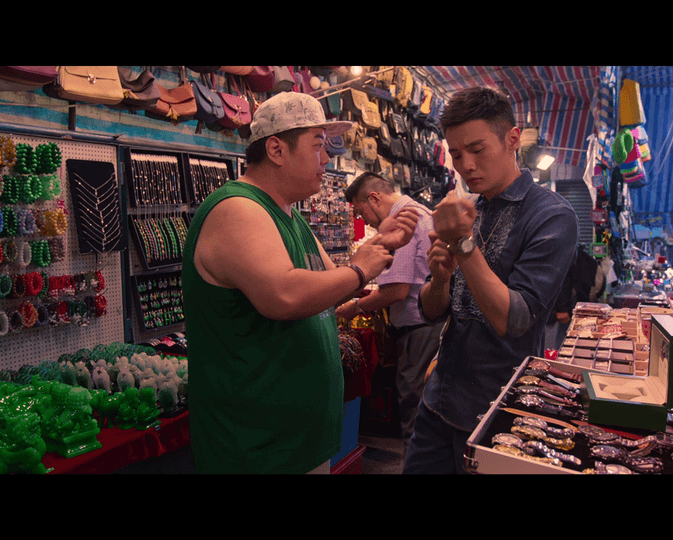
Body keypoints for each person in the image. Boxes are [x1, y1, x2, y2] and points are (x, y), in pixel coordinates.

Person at [181, 92, 420, 474]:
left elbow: (331, 284)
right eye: (317, 145)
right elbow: (284, 296)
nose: (327, 159)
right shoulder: (238, 209)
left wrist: (380, 244)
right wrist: (360, 270)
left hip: (296, 442)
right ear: (276, 149)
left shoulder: (288, 216)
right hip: (257, 449)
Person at [403, 87, 579, 474]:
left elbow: (514, 321)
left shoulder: (552, 215)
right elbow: (431, 311)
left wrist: (464, 246)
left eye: (477, 149)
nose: (466, 165)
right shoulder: (470, 208)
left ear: (512, 139)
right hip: (438, 402)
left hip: (498, 412)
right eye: (456, 154)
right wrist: (440, 280)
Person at [337, 172, 443, 457]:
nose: (364, 221)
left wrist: (354, 307)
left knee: (414, 410)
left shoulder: (402, 220)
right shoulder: (419, 211)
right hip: (426, 326)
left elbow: (396, 290)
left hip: (419, 329)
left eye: (361, 212)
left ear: (374, 198)